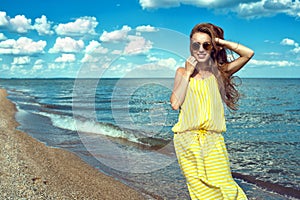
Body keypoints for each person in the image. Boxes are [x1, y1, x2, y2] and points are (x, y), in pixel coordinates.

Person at [170, 22, 254, 200]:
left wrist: (220, 42)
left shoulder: (220, 73)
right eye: (195, 44)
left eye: (206, 45)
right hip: (186, 140)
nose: (200, 49)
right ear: (190, 46)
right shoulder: (182, 72)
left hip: (213, 141)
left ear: (212, 48)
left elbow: (248, 54)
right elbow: (175, 104)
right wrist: (187, 73)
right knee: (201, 192)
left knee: (225, 186)